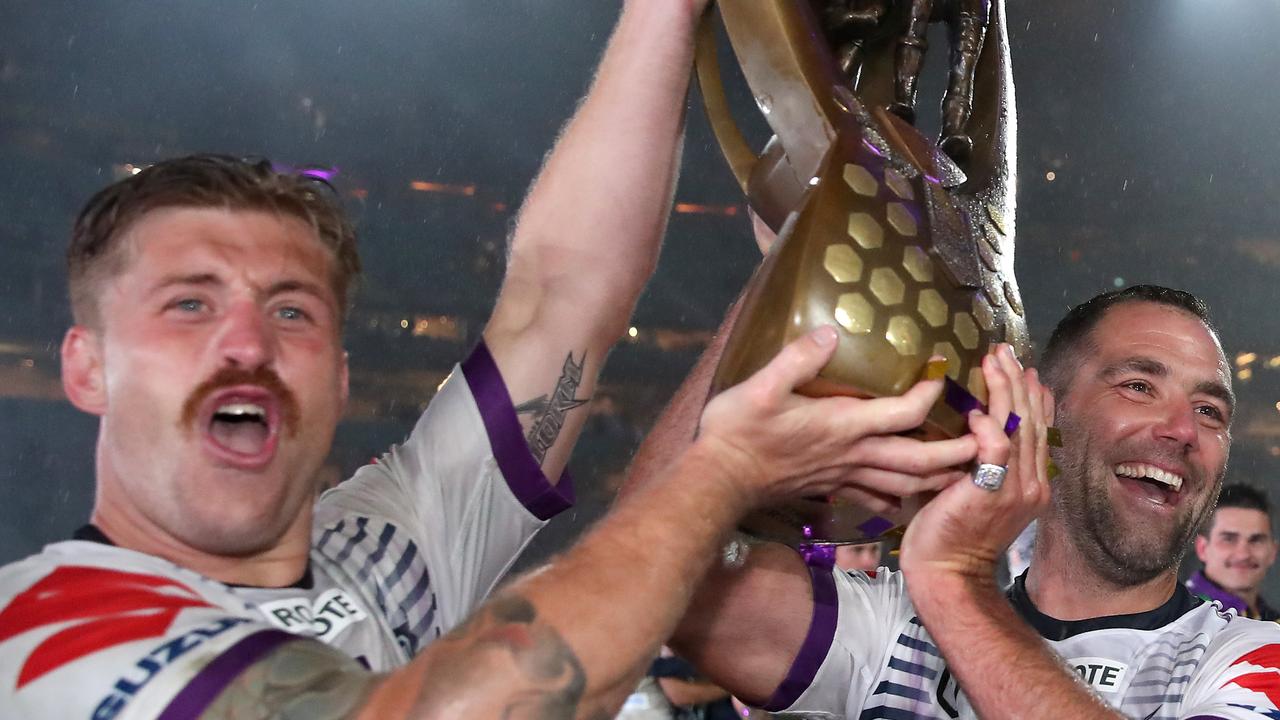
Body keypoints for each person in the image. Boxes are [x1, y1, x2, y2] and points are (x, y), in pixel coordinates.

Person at [0, 1, 985, 717]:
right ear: (85, 367)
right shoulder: (45, 637)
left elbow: (563, 296)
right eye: (188, 305)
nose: (247, 346)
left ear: (339, 379)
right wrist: (725, 473)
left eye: (292, 311)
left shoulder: (383, 554)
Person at [647, 285, 1280, 718]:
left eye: (1209, 410)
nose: (1182, 430)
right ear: (1040, 409)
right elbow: (649, 565)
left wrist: (954, 579)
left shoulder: (1248, 659)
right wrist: (778, 283)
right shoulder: (890, 631)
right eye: (1140, 386)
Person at [1188, 483, 1280, 620]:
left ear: (1273, 551)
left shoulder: (1274, 625)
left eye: (1256, 540)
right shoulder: (1176, 617)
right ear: (1202, 548)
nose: (1243, 554)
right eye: (1229, 539)